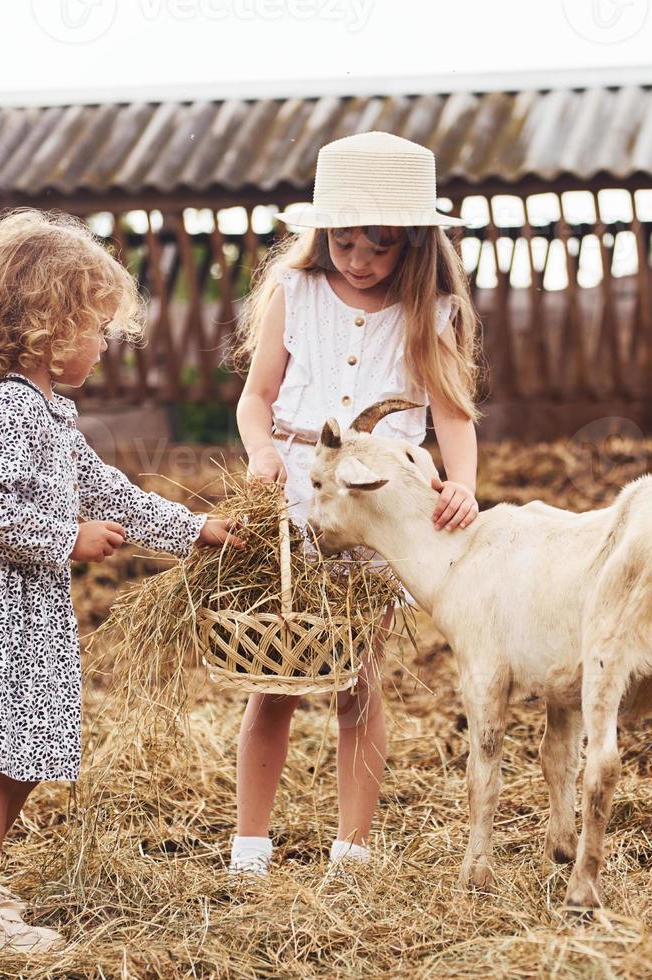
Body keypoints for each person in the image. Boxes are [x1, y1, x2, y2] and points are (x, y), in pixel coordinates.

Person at [0, 209, 242, 952]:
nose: (104, 343)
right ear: (49, 322)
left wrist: (194, 531)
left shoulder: (48, 413)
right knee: (2, 762)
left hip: (26, 606)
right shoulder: (8, 407)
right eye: (95, 326)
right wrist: (64, 539)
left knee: (20, 758)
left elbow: (110, 494)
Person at [228, 132, 482, 877]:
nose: (360, 257)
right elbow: (256, 398)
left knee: (357, 677)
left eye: (380, 243)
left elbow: (455, 412)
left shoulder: (432, 311)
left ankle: (353, 848)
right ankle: (249, 846)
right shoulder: (295, 294)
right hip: (295, 506)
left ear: (414, 243)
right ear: (324, 231)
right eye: (345, 239)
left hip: (377, 510)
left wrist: (461, 481)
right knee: (276, 674)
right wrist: (263, 451)